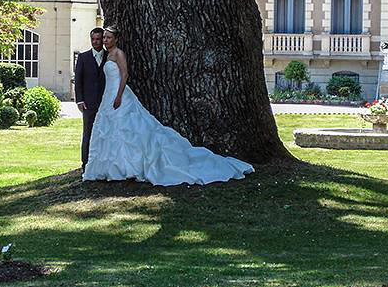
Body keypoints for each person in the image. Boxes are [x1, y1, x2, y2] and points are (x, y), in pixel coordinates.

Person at [82, 26, 254, 186]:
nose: (105, 40)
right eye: (104, 37)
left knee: (128, 129)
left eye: (108, 37)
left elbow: (124, 74)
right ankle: (114, 166)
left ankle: (130, 166)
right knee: (109, 131)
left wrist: (119, 96)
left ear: (116, 39)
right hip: (108, 96)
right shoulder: (107, 55)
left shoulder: (119, 54)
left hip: (119, 94)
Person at [74, 27, 108, 173]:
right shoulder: (83, 57)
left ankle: (103, 163)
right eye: (93, 39)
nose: (96, 42)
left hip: (107, 103)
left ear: (103, 40)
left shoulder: (110, 56)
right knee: (88, 133)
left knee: (106, 133)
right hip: (88, 103)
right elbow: (78, 80)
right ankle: (85, 164)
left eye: (98, 39)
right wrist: (79, 100)